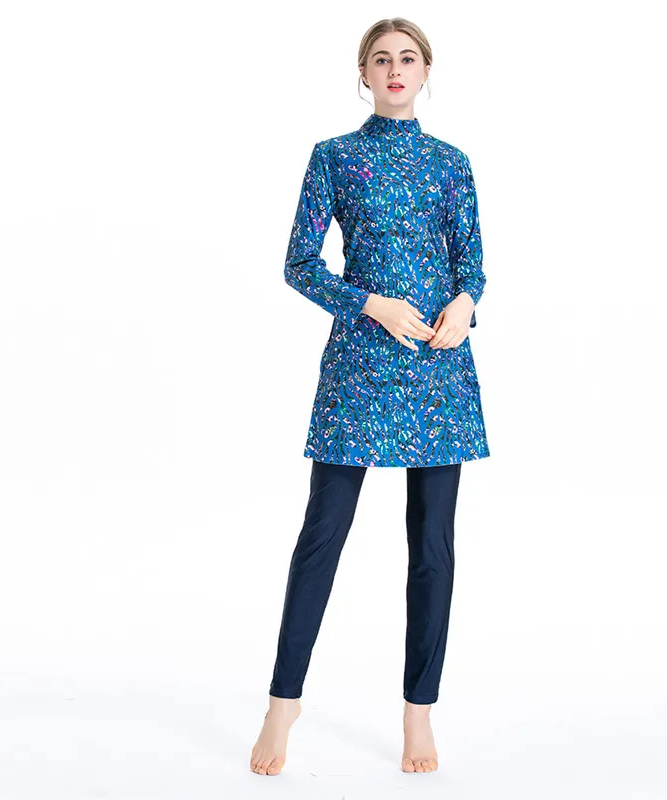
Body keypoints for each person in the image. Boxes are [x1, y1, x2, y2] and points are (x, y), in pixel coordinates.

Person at [250, 17, 490, 776]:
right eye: (381, 59)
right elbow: (299, 263)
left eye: (407, 58)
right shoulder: (334, 157)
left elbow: (472, 265)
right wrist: (370, 305)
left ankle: (419, 714)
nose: (394, 69)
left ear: (425, 72)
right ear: (364, 73)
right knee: (322, 535)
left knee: (434, 546)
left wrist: (467, 304)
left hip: (439, 369)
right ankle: (282, 706)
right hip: (358, 364)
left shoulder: (452, 163)